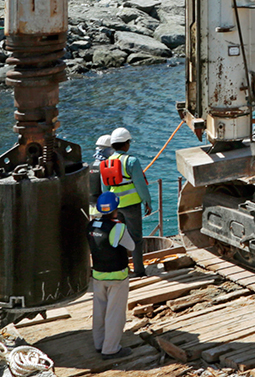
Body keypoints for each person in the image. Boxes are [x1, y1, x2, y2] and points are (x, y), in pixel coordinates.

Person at [88, 191, 135, 359]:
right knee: (115, 314)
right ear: (116, 209)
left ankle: (99, 344)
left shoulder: (91, 226)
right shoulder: (118, 227)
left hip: (98, 275)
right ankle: (111, 349)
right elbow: (131, 246)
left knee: (99, 310)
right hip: (117, 277)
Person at [100, 128, 151, 277]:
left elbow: (105, 190)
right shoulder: (131, 161)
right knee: (136, 239)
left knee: (119, 238)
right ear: (126, 144)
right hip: (131, 206)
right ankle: (139, 271)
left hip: (115, 207)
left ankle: (122, 269)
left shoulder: (106, 163)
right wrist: (147, 202)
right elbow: (140, 185)